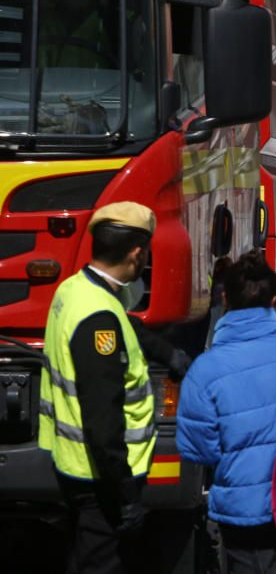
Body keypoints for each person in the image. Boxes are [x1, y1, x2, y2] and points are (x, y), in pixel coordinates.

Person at [177, 251, 276, 572]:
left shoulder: (205, 370)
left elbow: (198, 448)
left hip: (243, 510)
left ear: (224, 298)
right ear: (274, 299)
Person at [40, 202, 159, 573]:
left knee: (83, 557)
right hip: (99, 478)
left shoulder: (73, 290)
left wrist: (168, 352)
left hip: (73, 465)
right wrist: (124, 494)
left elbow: (127, 327)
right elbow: (102, 419)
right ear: (137, 253)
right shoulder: (99, 321)